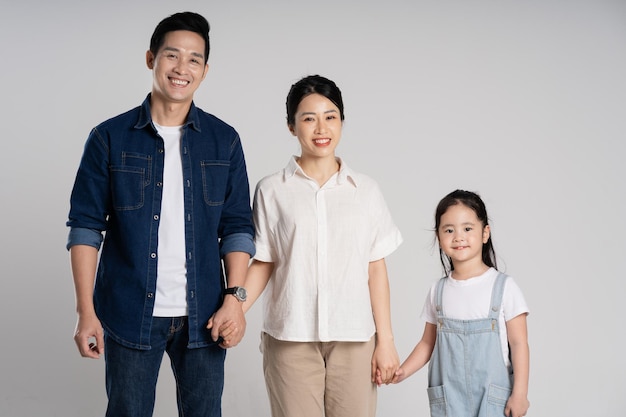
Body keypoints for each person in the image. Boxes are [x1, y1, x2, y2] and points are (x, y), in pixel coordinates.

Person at [66, 11, 254, 417]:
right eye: (172, 55)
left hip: (204, 314)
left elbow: (237, 226)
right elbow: (85, 227)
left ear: (204, 70)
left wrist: (234, 300)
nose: (181, 68)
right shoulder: (109, 137)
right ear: (151, 58)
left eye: (194, 59)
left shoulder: (224, 141)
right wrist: (86, 312)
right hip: (128, 311)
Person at [240, 74, 403, 417]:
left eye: (330, 117)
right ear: (291, 126)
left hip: (355, 339)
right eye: (308, 118)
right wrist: (234, 310)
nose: (321, 128)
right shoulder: (272, 189)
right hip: (290, 337)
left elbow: (375, 268)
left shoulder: (366, 190)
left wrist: (385, 341)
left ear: (342, 121)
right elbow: (265, 262)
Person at [390, 190, 530, 417]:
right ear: (439, 236)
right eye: (449, 230)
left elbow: (519, 343)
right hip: (450, 401)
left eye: (467, 228)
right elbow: (427, 343)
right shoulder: (439, 290)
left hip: (492, 399)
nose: (458, 237)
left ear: (485, 233)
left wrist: (520, 393)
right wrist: (403, 371)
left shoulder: (503, 287)